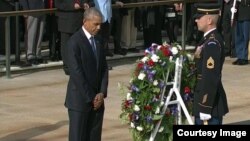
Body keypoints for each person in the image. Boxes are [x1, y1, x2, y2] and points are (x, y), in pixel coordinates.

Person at [65, 7, 108, 141]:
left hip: (97, 101)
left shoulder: (99, 40)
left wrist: (101, 93)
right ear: (85, 22)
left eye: (100, 24)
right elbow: (77, 73)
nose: (99, 27)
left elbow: (104, 69)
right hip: (80, 101)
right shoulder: (74, 42)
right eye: (96, 24)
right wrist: (91, 98)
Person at [193, 3, 229, 125]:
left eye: (199, 16)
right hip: (201, 97)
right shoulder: (206, 39)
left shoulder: (212, 43)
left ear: (209, 20)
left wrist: (205, 106)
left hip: (209, 105)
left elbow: (210, 77)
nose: (196, 19)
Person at [55, 0, 93, 75]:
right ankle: (67, 67)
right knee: (66, 45)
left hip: (80, 21)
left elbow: (91, 2)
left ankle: (79, 65)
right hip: (67, 21)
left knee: (80, 45)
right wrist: (72, 6)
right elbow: (58, 4)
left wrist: (87, 4)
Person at [19, 0, 45, 65]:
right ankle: (30, 55)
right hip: (31, 9)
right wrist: (25, 9)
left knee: (40, 33)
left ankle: (37, 54)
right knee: (31, 33)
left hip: (42, 8)